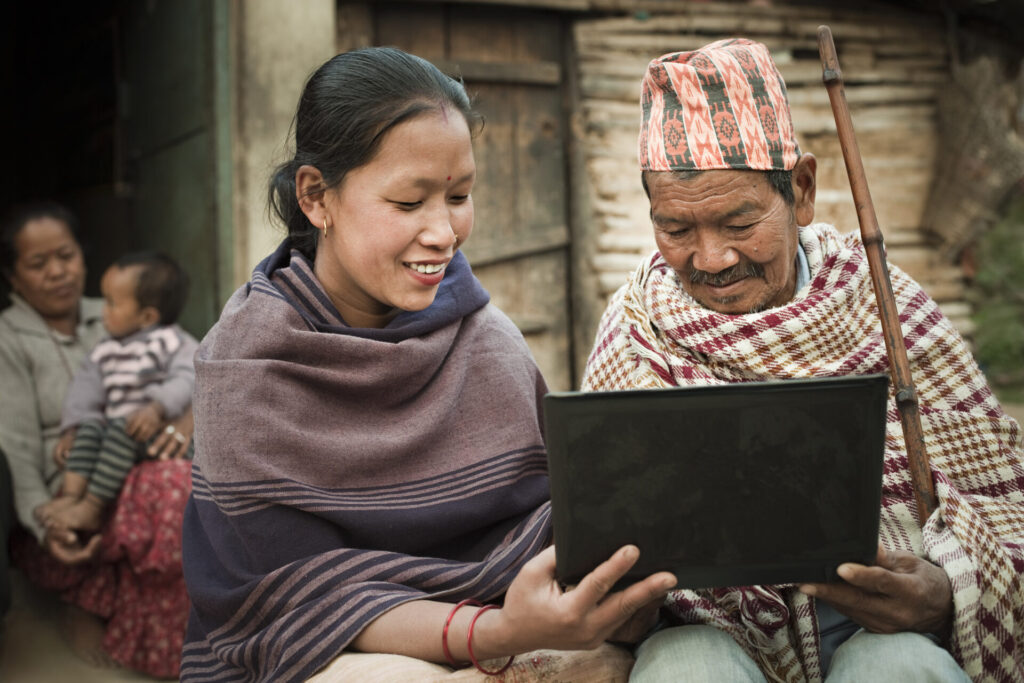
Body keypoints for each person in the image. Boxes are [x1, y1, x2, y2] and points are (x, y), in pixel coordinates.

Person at [181, 47, 676, 683]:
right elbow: (296, 596)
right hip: (334, 652)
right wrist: (495, 634)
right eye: (410, 203)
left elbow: (556, 524)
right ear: (315, 196)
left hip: (509, 625)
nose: (444, 232)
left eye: (460, 195)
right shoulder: (243, 370)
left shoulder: (488, 341)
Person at [581, 38, 1024, 682]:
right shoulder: (636, 328)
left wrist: (946, 593)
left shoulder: (884, 307)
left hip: (880, 629)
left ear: (803, 190)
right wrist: (623, 602)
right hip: (708, 636)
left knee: (900, 668)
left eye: (739, 223)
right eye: (676, 230)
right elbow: (606, 533)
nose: (711, 259)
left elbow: (1002, 508)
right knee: (686, 670)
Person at [0, 202, 194, 677]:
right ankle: (88, 599)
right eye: (38, 263)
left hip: (134, 464)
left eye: (65, 255)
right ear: (12, 276)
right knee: (164, 491)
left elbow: (195, 369)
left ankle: (159, 639)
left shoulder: (127, 313)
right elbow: (14, 450)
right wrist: (46, 523)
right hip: (66, 488)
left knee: (180, 484)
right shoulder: (8, 340)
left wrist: (187, 419)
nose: (57, 272)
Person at [37, 251, 198, 534]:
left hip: (157, 433)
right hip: (118, 432)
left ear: (147, 316)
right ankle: (71, 498)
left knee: (120, 431)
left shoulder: (171, 342)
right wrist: (72, 427)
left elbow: (188, 377)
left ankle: (91, 508)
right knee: (89, 431)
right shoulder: (105, 349)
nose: (103, 311)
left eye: (112, 303)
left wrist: (156, 408)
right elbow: (84, 388)